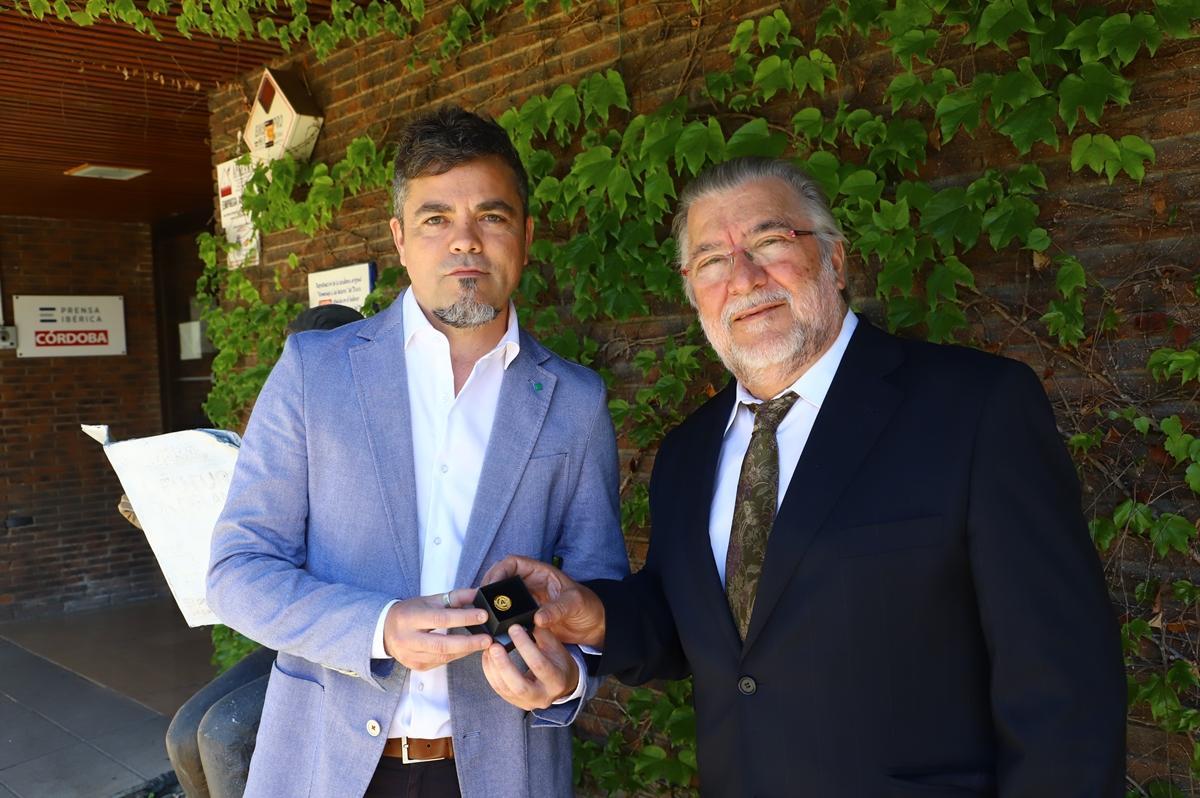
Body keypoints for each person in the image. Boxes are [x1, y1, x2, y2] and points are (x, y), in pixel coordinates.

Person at [486, 157, 1127, 796]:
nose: (743, 278)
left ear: (837, 260)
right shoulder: (687, 451)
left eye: (769, 241)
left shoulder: (975, 409)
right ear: (692, 290)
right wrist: (590, 614)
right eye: (711, 260)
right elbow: (697, 623)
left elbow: (1063, 685)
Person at [206, 106, 628, 798]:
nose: (465, 242)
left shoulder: (575, 402)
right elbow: (237, 571)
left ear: (524, 235)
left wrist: (569, 677)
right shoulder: (316, 370)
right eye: (436, 219)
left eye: (491, 217)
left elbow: (597, 594)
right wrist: (378, 628)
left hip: (500, 770)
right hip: (325, 766)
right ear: (401, 239)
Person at [165, 303, 365, 798]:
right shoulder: (286, 433)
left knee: (223, 734)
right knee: (185, 733)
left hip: (351, 637)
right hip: (295, 635)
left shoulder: (377, 437)